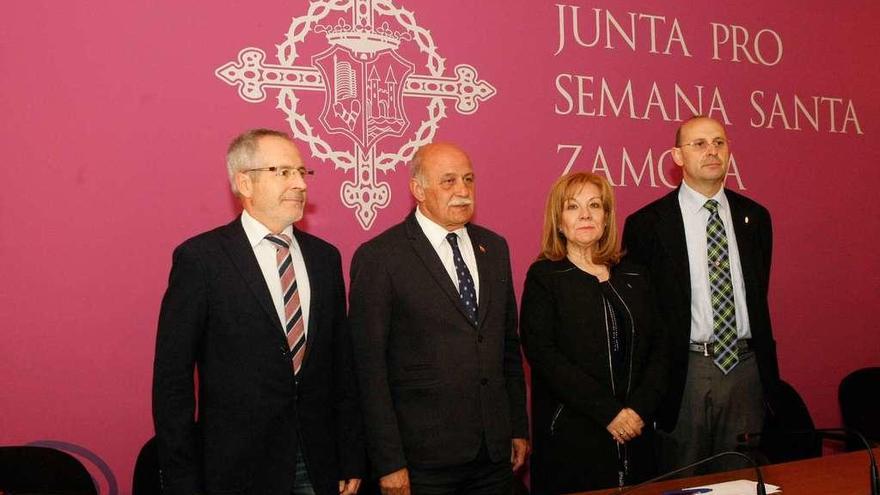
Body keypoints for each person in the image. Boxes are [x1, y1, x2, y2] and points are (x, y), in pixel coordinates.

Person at [152, 129, 363, 495]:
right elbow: (173, 383)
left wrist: (351, 454)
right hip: (237, 469)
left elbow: (340, 366)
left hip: (318, 464)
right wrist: (182, 481)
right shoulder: (201, 260)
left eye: (302, 172)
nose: (299, 183)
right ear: (244, 182)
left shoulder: (324, 258)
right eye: (282, 172)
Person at [348, 142, 529, 495]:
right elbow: (368, 371)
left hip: (493, 456)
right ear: (418, 189)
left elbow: (507, 347)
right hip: (421, 464)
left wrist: (517, 426)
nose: (462, 190)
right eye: (448, 181)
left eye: (468, 179)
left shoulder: (494, 248)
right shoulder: (380, 257)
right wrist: (388, 462)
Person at [622, 116, 780, 474]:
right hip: (684, 372)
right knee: (680, 476)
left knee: (741, 477)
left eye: (719, 142)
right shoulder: (647, 224)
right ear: (677, 156)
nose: (712, 151)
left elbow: (757, 293)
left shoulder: (755, 217)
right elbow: (643, 314)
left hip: (745, 370)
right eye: (699, 144)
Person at [520, 172, 667, 493]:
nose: (585, 214)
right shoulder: (545, 276)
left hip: (638, 432)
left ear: (606, 217)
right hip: (575, 437)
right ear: (559, 222)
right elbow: (543, 354)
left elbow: (660, 349)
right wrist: (610, 413)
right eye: (573, 207)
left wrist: (638, 411)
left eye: (595, 205)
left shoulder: (635, 274)